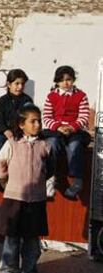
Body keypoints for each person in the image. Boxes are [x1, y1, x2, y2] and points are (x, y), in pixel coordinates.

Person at [0, 104, 51, 273]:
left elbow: (50, 169)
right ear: (21, 124)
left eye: (39, 121)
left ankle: (30, 269)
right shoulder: (12, 144)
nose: (37, 124)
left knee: (32, 238)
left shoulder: (44, 146)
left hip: (36, 200)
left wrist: (43, 183)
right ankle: (9, 268)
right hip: (14, 198)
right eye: (32, 121)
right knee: (12, 236)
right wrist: (5, 182)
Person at [43, 66, 91, 199]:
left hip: (74, 130)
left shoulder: (81, 96)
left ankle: (77, 181)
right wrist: (58, 127)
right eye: (62, 80)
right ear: (56, 81)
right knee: (51, 144)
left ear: (73, 80)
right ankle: (50, 179)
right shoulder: (51, 96)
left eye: (69, 80)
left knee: (75, 146)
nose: (65, 83)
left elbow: (84, 116)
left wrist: (72, 126)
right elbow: (47, 117)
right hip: (56, 130)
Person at [0, 69, 33, 193]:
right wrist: (5, 131)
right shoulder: (2, 101)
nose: (20, 87)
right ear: (9, 84)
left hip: (20, 133)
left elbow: (29, 118)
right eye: (17, 83)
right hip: (3, 133)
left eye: (22, 84)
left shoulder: (27, 100)